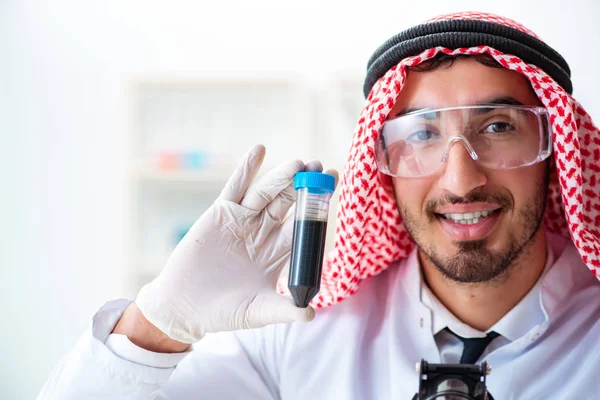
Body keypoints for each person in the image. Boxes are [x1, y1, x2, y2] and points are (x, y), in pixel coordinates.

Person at [39, 11, 600, 399]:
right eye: (422, 136)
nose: (460, 180)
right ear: (382, 165)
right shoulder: (306, 332)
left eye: (499, 126)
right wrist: (157, 323)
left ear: (558, 152)